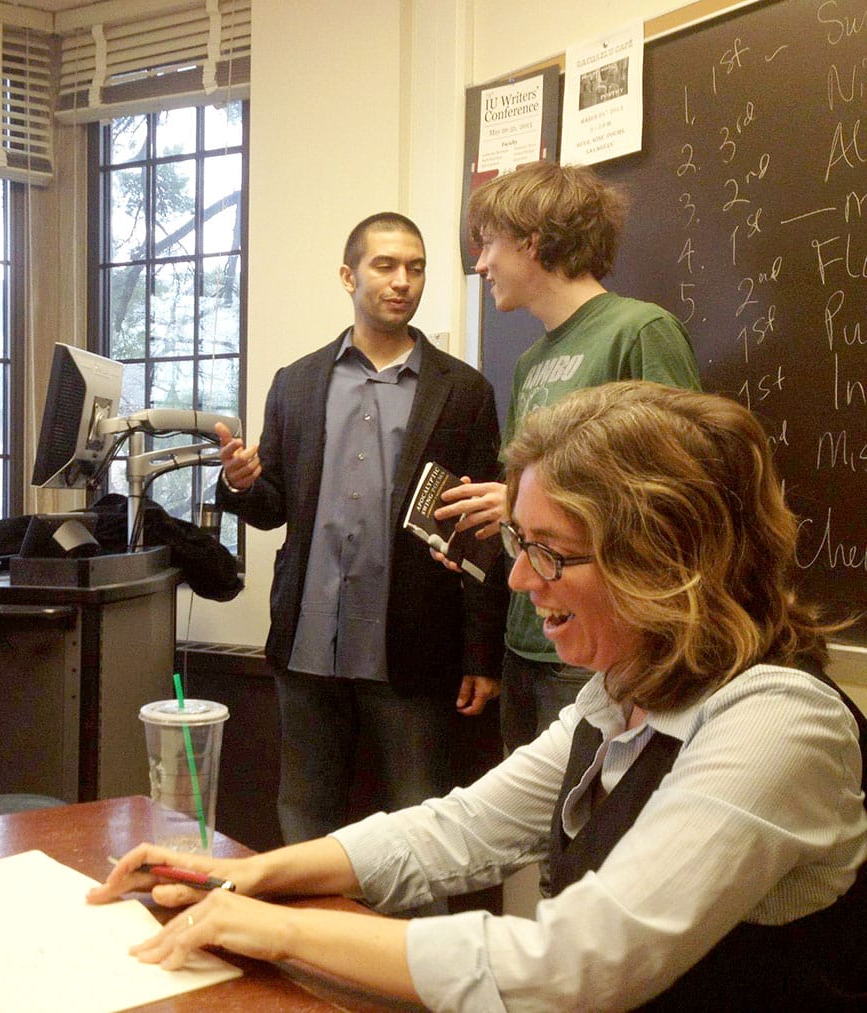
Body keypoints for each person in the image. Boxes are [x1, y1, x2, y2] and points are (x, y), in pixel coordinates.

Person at [92, 381, 867, 1011]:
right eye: (518, 544)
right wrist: (255, 875)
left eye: (550, 553)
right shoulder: (618, 694)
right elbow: (458, 830)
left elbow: (578, 963)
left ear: (667, 560)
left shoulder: (779, 723)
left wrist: (275, 931)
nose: (522, 579)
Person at [214, 212, 508, 845]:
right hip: (307, 645)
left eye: (416, 267)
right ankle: (306, 944)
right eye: (385, 265)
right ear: (349, 276)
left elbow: (484, 532)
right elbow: (274, 507)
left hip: (413, 645)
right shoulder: (296, 383)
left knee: (419, 827)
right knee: (304, 813)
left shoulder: (464, 393)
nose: (403, 281)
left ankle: (411, 947)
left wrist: (482, 652)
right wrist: (240, 483)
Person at [435, 160, 701, 754]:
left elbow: (684, 492)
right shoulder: (529, 361)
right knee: (531, 838)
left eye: (489, 246)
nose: (479, 265)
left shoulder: (639, 331)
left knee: (588, 835)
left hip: (605, 644)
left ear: (532, 240)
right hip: (528, 638)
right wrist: (495, 520)